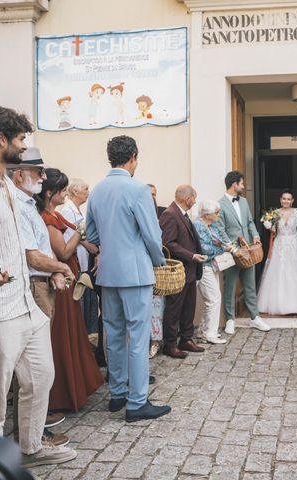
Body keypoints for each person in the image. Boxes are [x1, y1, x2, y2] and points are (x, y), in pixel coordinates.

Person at [0, 103, 76, 467]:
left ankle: (31, 447)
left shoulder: (9, 186)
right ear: (1, 139)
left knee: (41, 376)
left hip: (26, 303)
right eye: (20, 139)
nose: (24, 145)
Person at [86, 135, 171, 422]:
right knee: (138, 337)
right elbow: (150, 233)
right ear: (133, 156)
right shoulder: (138, 189)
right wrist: (158, 259)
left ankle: (118, 394)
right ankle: (137, 402)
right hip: (135, 273)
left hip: (108, 274)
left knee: (114, 335)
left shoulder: (97, 190)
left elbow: (92, 235)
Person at [9, 149, 75, 444]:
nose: (43, 177)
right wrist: (59, 266)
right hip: (34, 287)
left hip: (43, 283)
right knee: (34, 368)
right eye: (38, 172)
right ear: (20, 174)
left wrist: (56, 272)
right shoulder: (21, 206)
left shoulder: (28, 204)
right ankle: (30, 435)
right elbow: (34, 257)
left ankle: (33, 431)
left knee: (38, 369)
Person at [37, 168, 104, 412]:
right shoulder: (47, 218)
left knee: (75, 332)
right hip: (61, 282)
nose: (65, 194)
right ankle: (63, 393)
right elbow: (63, 252)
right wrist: (80, 230)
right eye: (62, 190)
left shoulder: (55, 215)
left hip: (71, 277)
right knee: (63, 335)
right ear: (49, 193)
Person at [214, 171, 271, 334]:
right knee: (230, 286)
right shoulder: (219, 205)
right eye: (241, 183)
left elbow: (250, 222)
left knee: (250, 285)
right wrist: (233, 249)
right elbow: (221, 231)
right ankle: (230, 320)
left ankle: (255, 318)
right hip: (232, 253)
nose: (243, 186)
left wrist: (255, 235)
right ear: (234, 185)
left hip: (248, 252)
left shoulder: (244, 202)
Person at [159, 185, 207, 359]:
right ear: (187, 198)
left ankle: (186, 339)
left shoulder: (183, 214)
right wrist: (192, 256)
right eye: (194, 198)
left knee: (188, 307)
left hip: (190, 270)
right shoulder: (170, 214)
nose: (195, 201)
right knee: (174, 308)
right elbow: (168, 243)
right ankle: (170, 344)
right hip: (178, 271)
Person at [257, 189, 297, 315]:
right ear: (280, 199)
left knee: (295, 272)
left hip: (294, 244)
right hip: (280, 244)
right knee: (278, 272)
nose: (286, 201)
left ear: (292, 200)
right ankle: (278, 303)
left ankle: (296, 304)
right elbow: (274, 230)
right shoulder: (275, 213)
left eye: (289, 199)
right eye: (284, 198)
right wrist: (269, 226)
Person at [60, 178, 100, 334]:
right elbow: (77, 238)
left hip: (85, 263)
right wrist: (96, 251)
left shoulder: (78, 210)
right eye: (85, 189)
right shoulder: (67, 211)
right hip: (77, 264)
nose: (88, 192)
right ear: (75, 191)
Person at [193, 200, 229, 344]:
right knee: (214, 298)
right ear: (207, 214)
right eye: (216, 212)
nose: (218, 215)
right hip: (203, 266)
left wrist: (218, 247)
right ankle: (210, 333)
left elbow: (220, 242)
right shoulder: (198, 226)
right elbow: (204, 250)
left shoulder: (212, 226)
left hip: (212, 265)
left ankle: (203, 330)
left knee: (212, 299)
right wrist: (219, 249)